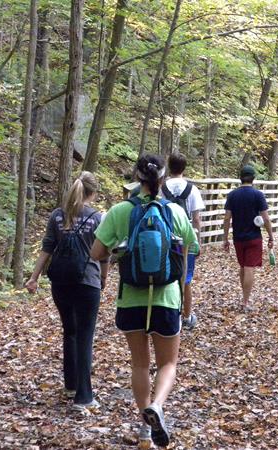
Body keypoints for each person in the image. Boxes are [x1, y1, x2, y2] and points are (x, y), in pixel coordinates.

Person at [90, 154, 197, 448]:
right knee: (168, 363)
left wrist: (119, 252)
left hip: (130, 299)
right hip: (167, 298)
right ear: (162, 180)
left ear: (136, 178)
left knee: (139, 364)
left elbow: (96, 253)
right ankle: (158, 406)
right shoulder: (175, 212)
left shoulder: (120, 211)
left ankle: (144, 429)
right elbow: (189, 250)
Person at [25, 172, 108, 410]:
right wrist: (103, 277)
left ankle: (71, 384)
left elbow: (47, 248)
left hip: (60, 281)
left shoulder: (57, 216)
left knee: (69, 331)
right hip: (87, 281)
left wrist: (34, 277)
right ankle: (84, 397)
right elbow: (105, 253)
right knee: (85, 335)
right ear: (93, 193)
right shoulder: (97, 218)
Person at [162, 153, 205, 331]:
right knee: (185, 278)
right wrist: (198, 241)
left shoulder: (162, 187)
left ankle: (169, 314)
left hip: (166, 236)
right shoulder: (192, 189)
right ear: (184, 168)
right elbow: (196, 218)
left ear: (168, 167)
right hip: (186, 237)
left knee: (166, 274)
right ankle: (186, 316)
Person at [222, 165, 274, 311]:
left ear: (240, 177)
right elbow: (266, 218)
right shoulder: (258, 195)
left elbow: (227, 218)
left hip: (238, 237)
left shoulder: (232, 195)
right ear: (253, 178)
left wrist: (225, 238)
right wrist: (271, 236)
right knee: (249, 268)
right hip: (254, 237)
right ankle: (245, 302)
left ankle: (244, 297)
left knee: (243, 267)